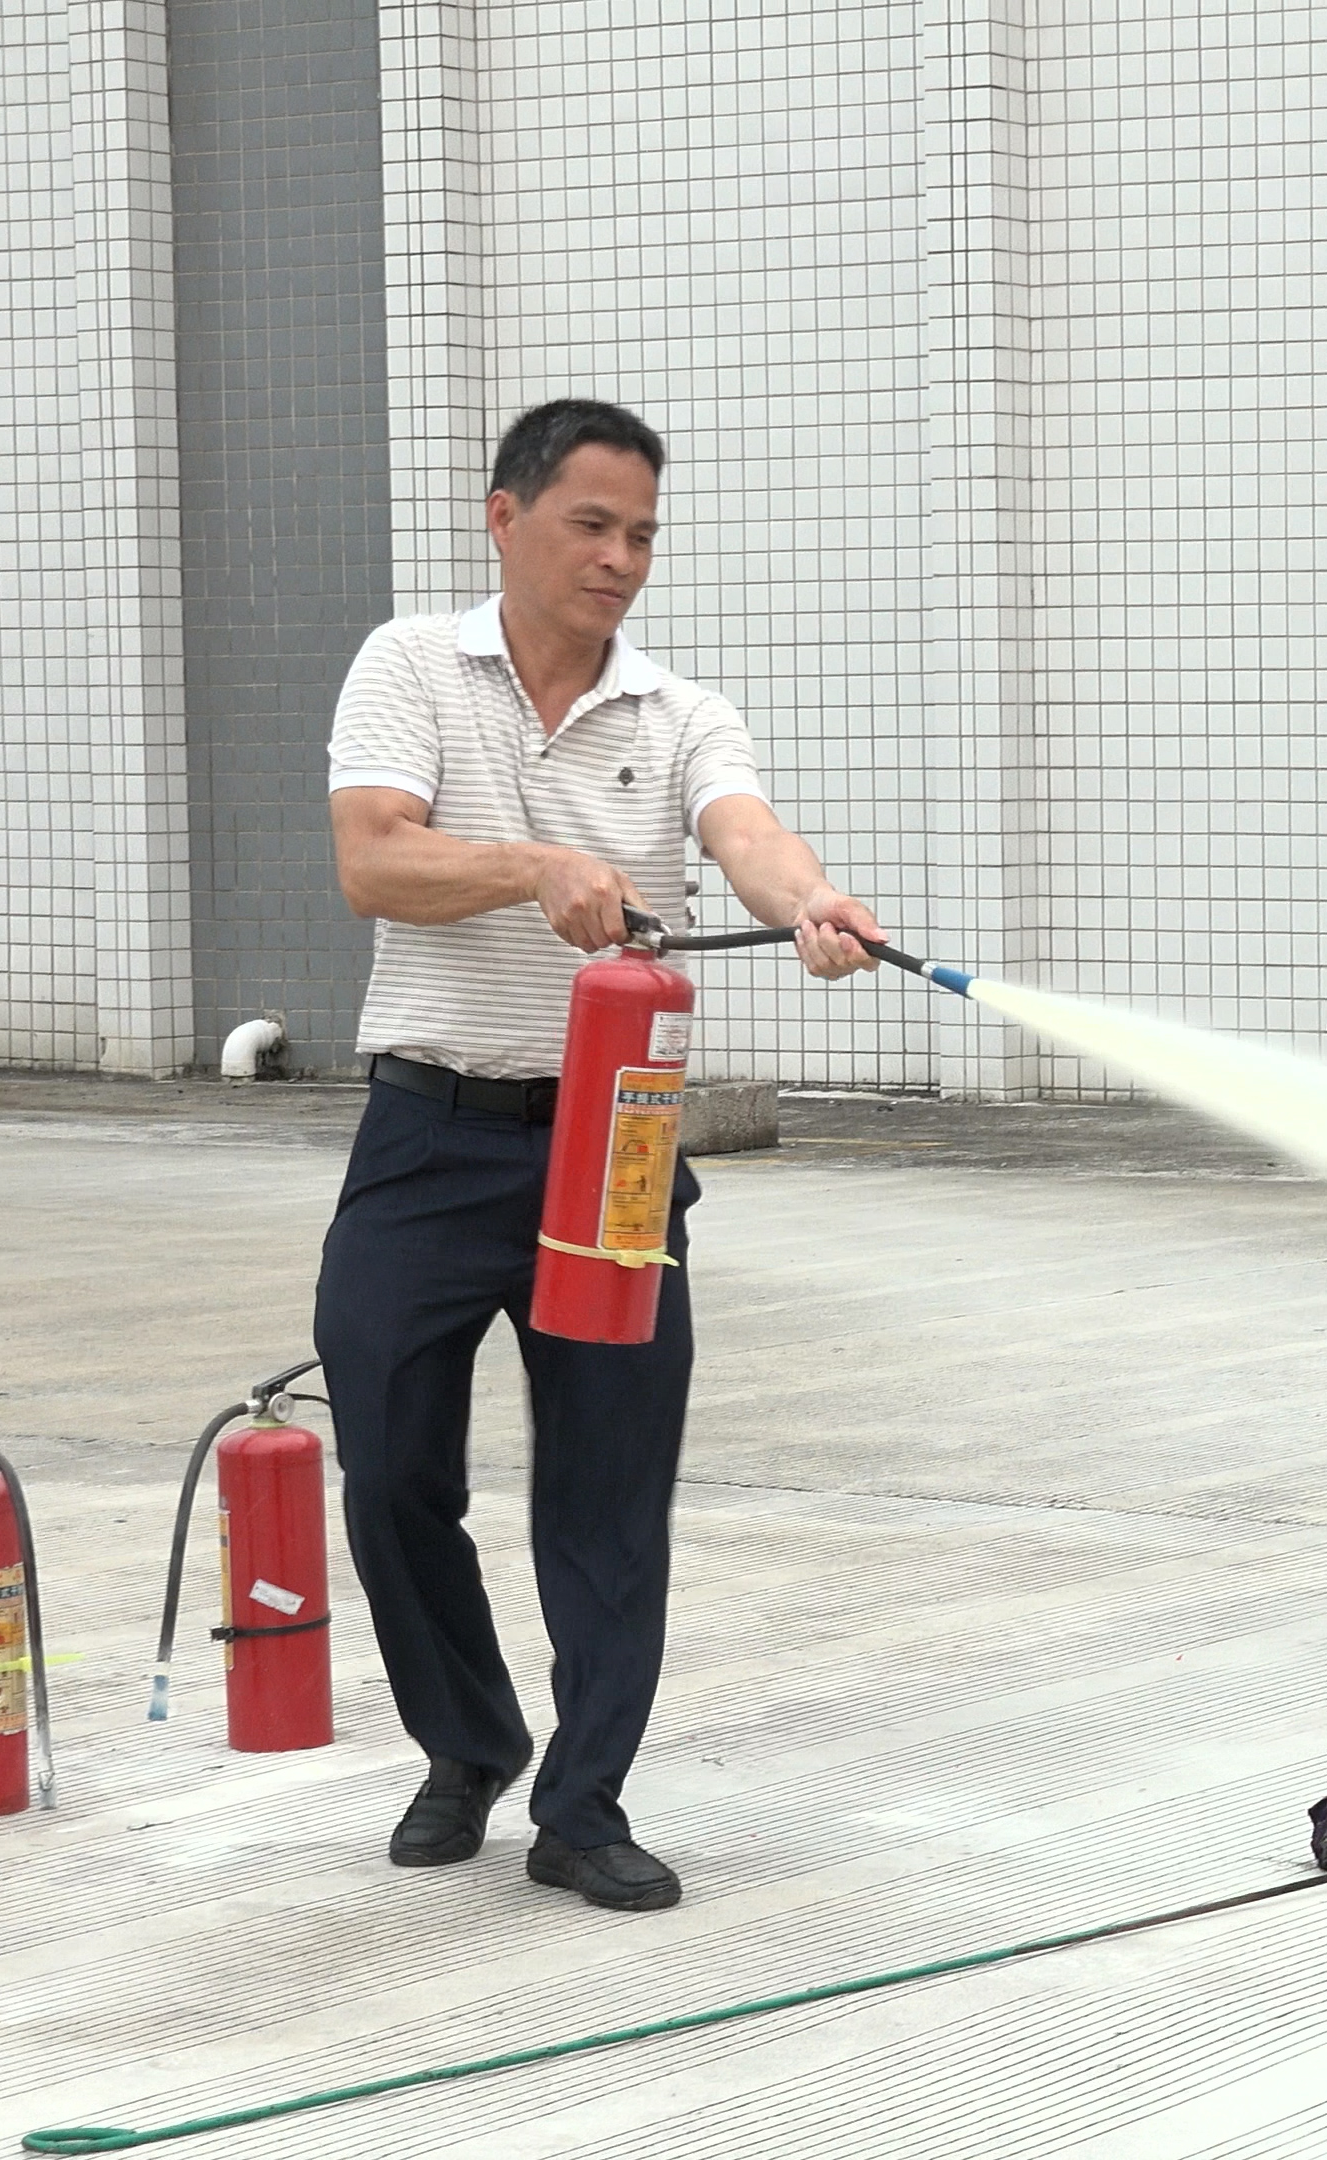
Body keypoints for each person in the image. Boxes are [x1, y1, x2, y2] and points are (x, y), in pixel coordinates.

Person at [317, 400, 884, 1910]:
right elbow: (373, 857)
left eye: (641, 533)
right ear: (504, 518)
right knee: (389, 1469)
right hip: (431, 1133)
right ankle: (468, 1742)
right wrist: (534, 866)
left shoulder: (678, 713)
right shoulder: (409, 667)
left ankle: (584, 1805)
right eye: (592, 524)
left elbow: (744, 831)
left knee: (609, 1492)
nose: (621, 558)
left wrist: (813, 899)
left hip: (613, 1147)